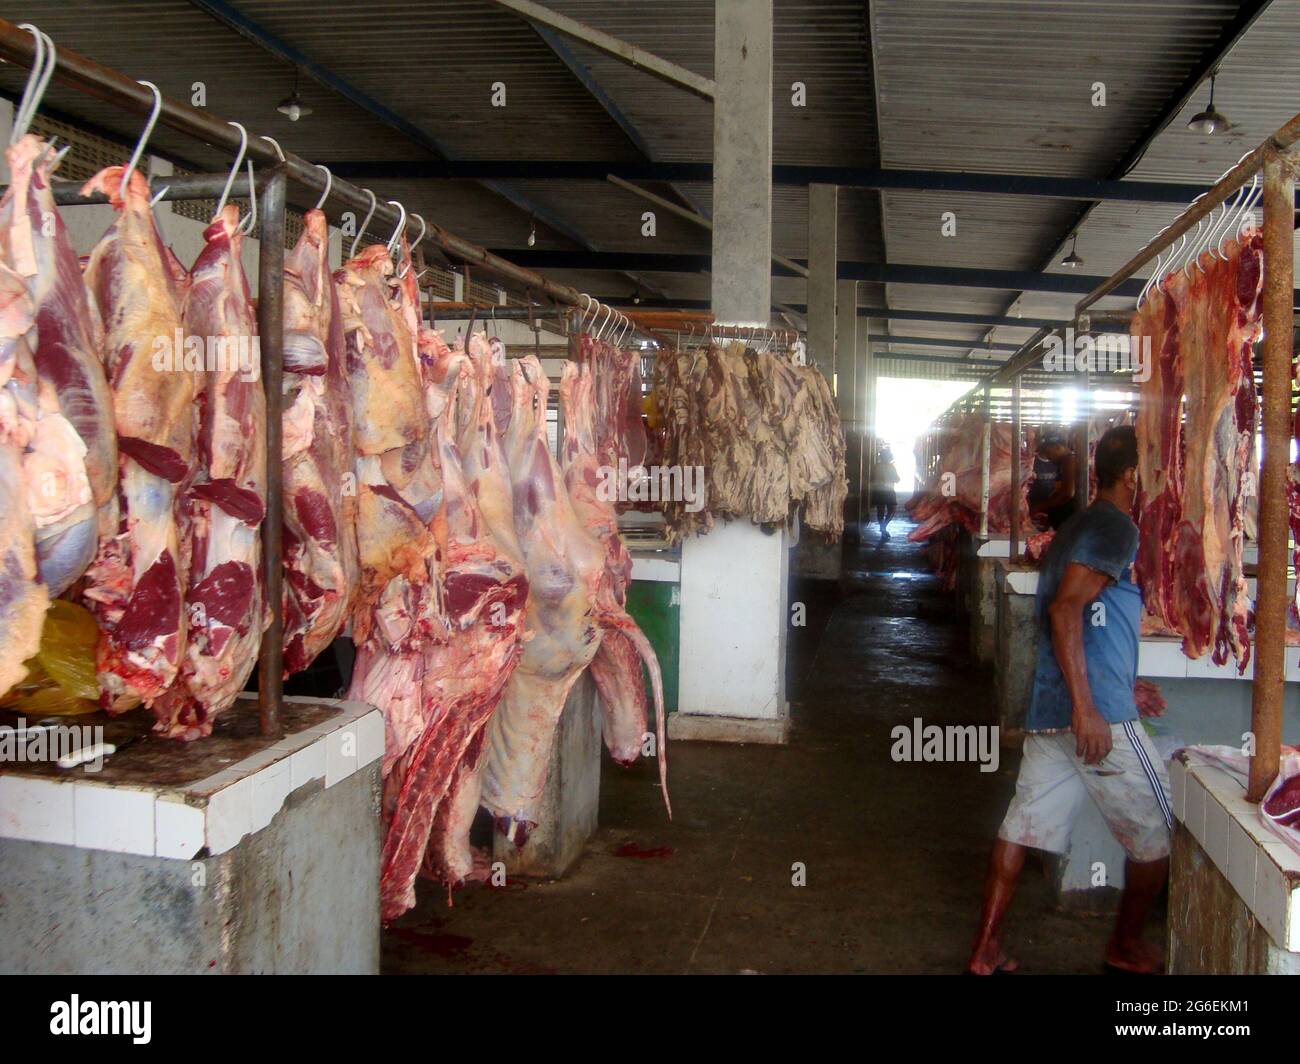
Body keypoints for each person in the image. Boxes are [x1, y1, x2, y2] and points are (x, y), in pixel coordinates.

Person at [967, 426, 1171, 976]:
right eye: (1155, 464)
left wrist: (1114, 683)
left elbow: (1089, 618)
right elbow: (1065, 612)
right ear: (1131, 475)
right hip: (1094, 716)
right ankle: (1125, 945)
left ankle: (986, 948)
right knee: (1158, 833)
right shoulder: (1115, 529)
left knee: (1020, 827)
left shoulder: (1078, 524)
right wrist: (1091, 705)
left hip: (1052, 708)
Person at [1028, 429, 1078, 530]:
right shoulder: (1064, 463)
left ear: (1058, 447)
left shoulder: (1069, 460)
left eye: (1048, 452)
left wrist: (1039, 507)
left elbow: (1068, 493)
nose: (1048, 457)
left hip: (1069, 522)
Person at [871, 446, 900, 541]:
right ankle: (883, 526)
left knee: (880, 510)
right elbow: (897, 479)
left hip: (878, 490)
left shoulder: (876, 466)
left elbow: (871, 478)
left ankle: (882, 526)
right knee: (892, 510)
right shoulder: (891, 467)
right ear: (889, 457)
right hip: (888, 490)